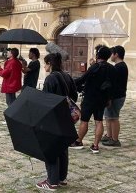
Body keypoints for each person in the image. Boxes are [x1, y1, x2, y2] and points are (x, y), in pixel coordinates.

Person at [36, 53, 77, 191]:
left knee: (51, 148)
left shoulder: (50, 79)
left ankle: (52, 181)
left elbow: (46, 101)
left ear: (50, 64)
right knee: (62, 148)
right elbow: (74, 97)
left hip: (53, 118)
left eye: (45, 63)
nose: (44, 66)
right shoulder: (67, 76)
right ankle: (62, 178)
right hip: (66, 118)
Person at [71, 45, 116, 153]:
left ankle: (78, 141)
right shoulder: (112, 68)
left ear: (98, 55)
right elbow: (112, 85)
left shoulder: (95, 67)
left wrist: (70, 82)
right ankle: (95, 145)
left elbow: (82, 79)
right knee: (99, 121)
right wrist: (109, 99)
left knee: (84, 120)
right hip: (102, 99)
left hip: (90, 98)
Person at [102, 46, 128, 147]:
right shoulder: (119, 66)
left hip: (116, 96)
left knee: (113, 117)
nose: (110, 56)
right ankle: (109, 136)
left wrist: (110, 98)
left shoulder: (119, 67)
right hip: (115, 96)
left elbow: (113, 84)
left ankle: (115, 139)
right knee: (108, 117)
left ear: (116, 54)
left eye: (111, 53)